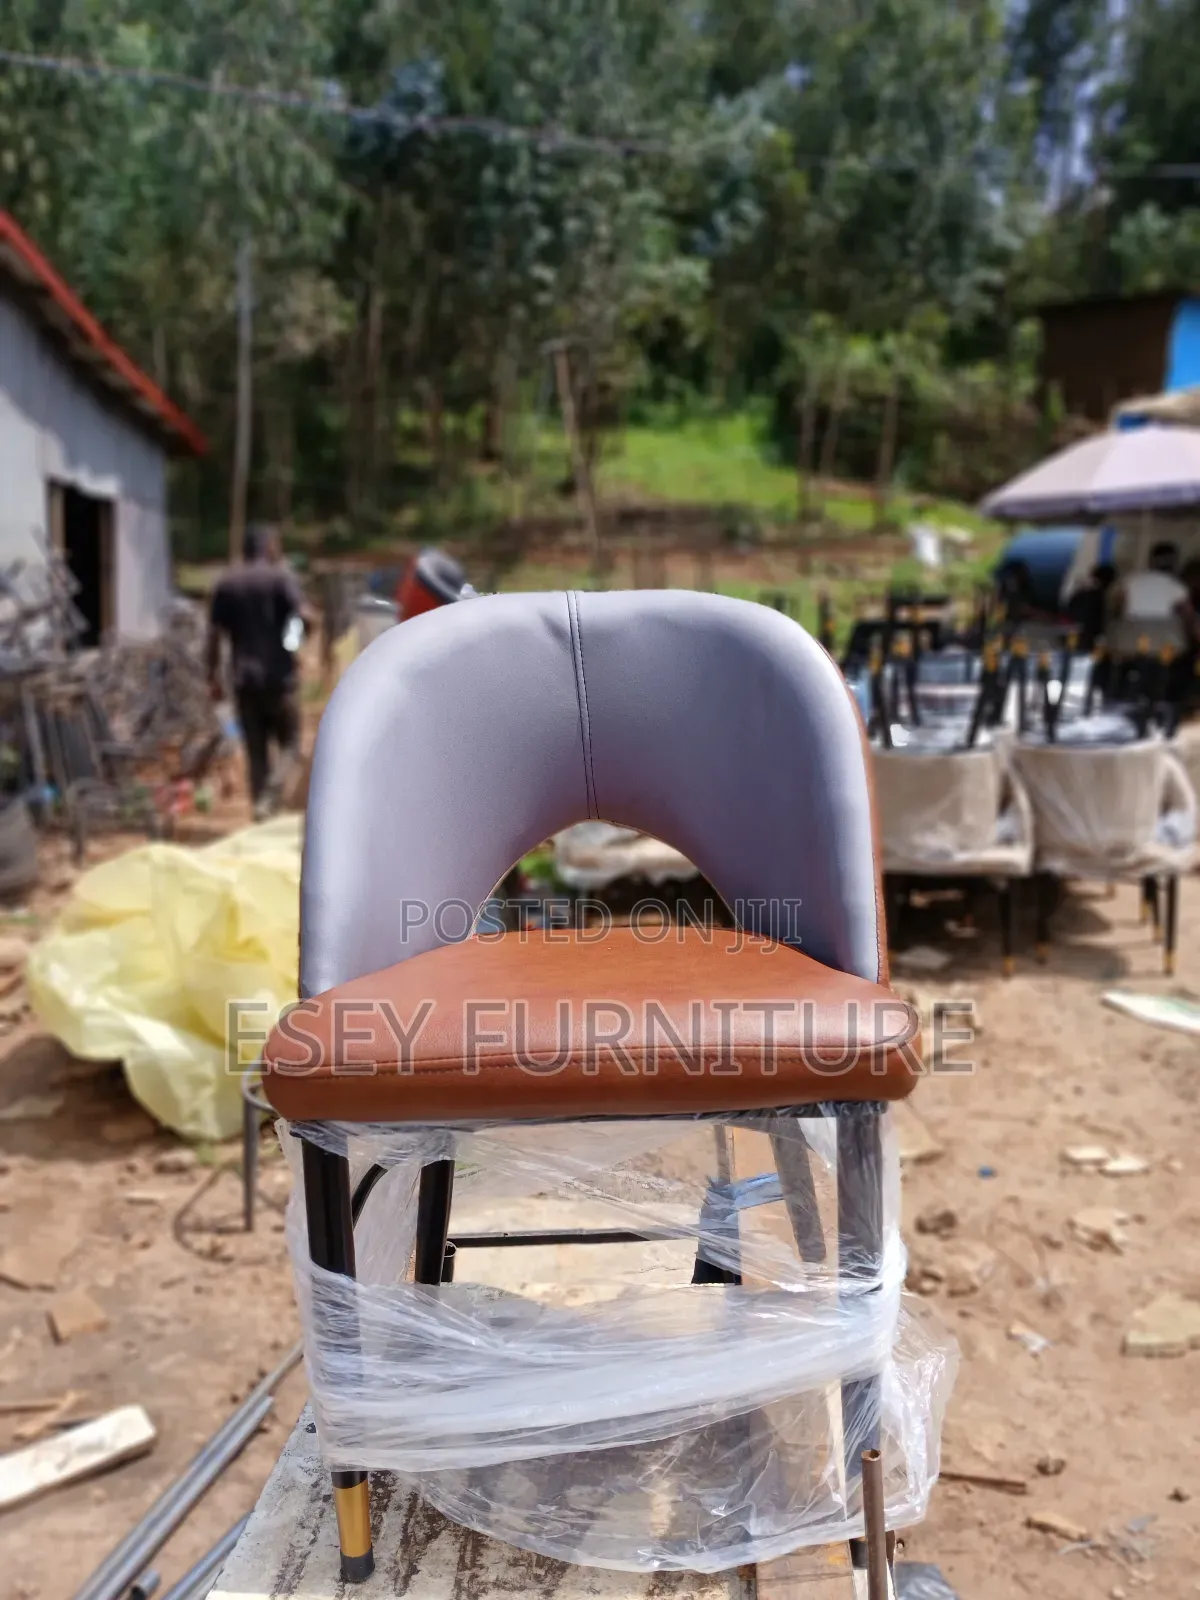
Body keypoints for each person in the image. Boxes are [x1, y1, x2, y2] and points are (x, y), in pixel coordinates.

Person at [207, 524, 312, 820]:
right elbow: (304, 616)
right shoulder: (281, 578)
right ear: (268, 546)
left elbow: (213, 635)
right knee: (291, 743)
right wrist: (292, 645)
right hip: (279, 678)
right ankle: (271, 795)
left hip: (243, 680)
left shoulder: (227, 583)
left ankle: (260, 814)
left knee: (256, 750)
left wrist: (212, 676)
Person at [1116, 540, 1189, 623]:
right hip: (1162, 629)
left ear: (1151, 560)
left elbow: (1118, 603)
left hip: (1130, 628)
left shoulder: (1131, 579)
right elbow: (1186, 614)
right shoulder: (1178, 587)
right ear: (1174, 563)